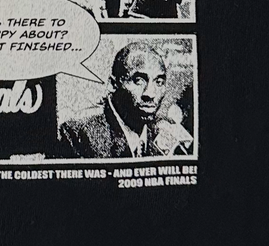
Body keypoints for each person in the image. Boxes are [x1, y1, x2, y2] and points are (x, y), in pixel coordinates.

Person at [60, 41, 194, 159]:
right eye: (139, 81)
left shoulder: (168, 128)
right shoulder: (79, 133)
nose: (150, 93)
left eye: (159, 82)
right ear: (113, 84)